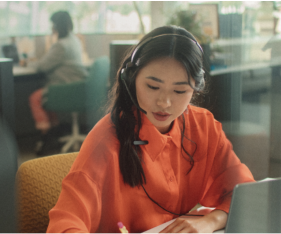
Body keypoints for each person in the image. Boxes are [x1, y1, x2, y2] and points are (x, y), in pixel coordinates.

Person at [46, 25, 255, 234]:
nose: (164, 102)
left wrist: (209, 222)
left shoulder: (203, 126)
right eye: (153, 87)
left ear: (195, 89)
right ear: (131, 79)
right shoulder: (105, 141)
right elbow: (64, 225)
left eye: (179, 90)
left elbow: (246, 193)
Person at [29, 11, 88, 155]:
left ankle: (46, 135)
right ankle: (55, 131)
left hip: (66, 88)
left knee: (36, 98)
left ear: (57, 26)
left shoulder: (60, 45)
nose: (51, 29)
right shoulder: (74, 40)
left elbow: (42, 66)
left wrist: (29, 62)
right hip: (78, 87)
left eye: (53, 25)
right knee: (46, 94)